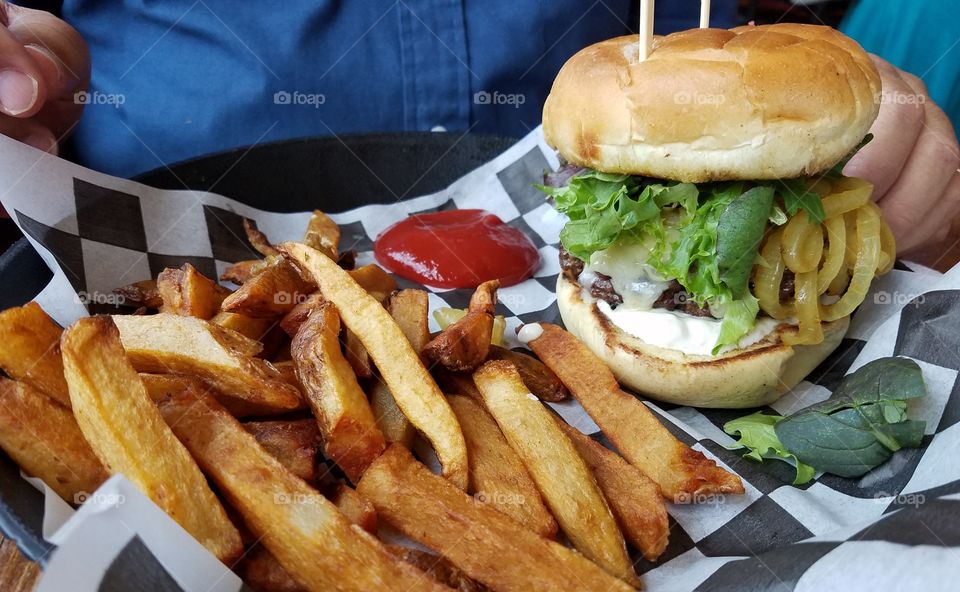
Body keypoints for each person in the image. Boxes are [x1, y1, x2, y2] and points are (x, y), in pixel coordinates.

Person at [0, 1, 955, 261]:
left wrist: (871, 118)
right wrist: (26, 64)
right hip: (144, 253)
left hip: (564, 239)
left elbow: (747, 33)